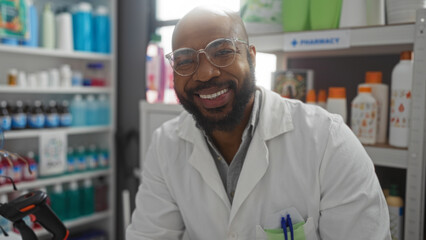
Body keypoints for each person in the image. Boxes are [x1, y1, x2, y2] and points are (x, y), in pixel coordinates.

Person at [126, 6, 391, 240]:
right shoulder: (166, 145)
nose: (205, 72)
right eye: (185, 61)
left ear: (251, 57)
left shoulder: (328, 142)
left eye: (223, 52)